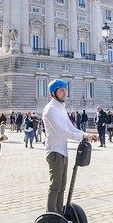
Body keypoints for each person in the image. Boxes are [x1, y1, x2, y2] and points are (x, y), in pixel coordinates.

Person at [42, 79, 97, 214]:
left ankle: (59, 214)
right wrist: (82, 137)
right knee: (55, 186)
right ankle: (50, 216)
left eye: (65, 90)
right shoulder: (50, 109)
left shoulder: (61, 108)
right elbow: (61, 131)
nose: (64, 93)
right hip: (54, 151)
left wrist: (86, 134)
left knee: (62, 186)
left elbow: (70, 127)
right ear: (53, 93)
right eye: (61, 90)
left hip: (62, 151)